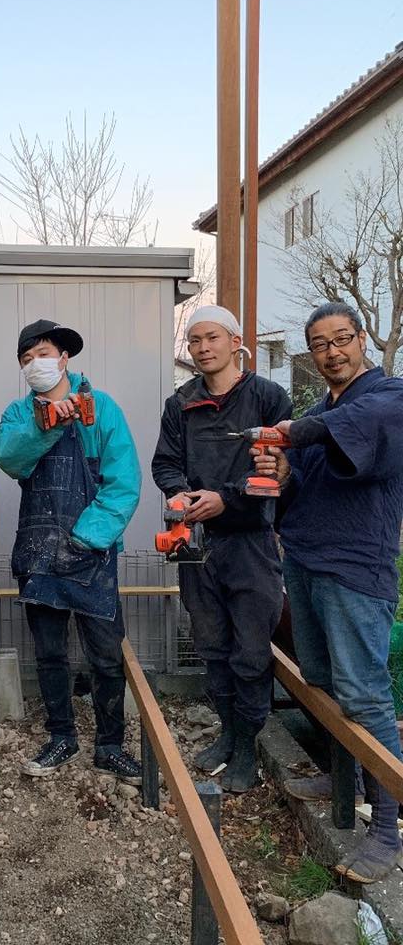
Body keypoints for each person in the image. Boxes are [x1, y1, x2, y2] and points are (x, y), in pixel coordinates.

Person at [253, 301, 403, 883]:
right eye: (320, 344)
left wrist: (290, 432)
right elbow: (302, 486)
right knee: (320, 681)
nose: (332, 351)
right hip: (308, 562)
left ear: (361, 340)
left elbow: (345, 435)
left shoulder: (387, 397)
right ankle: (346, 777)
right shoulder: (321, 409)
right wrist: (285, 473)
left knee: (364, 695)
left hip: (356, 570)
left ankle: (385, 825)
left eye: (342, 339)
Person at [0, 319, 142, 782]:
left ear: (64, 358)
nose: (36, 363)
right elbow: (9, 457)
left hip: (91, 552)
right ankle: (61, 737)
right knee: (51, 653)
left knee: (105, 654)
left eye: (43, 353)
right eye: (26, 357)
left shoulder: (103, 409)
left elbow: (124, 482)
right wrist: (47, 425)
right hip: (39, 550)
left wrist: (86, 538)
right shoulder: (19, 414)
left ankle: (110, 745)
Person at [151, 305, 292, 792]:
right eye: (194, 341)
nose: (203, 347)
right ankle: (229, 732)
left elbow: (275, 467)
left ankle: (248, 747)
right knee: (212, 647)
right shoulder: (181, 402)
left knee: (251, 651)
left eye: (211, 338)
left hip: (251, 542)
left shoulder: (269, 398)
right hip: (197, 542)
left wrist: (225, 498)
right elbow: (165, 462)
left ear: (235, 342)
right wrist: (179, 493)